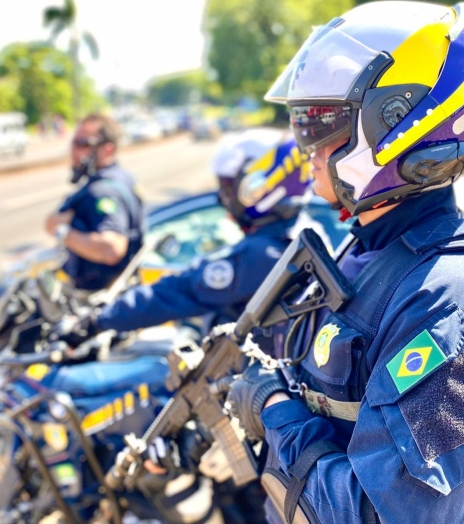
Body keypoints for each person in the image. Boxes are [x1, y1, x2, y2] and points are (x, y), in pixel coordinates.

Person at [227, 3, 464, 524]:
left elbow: (388, 515)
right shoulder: (368, 249)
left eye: (323, 121)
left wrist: (274, 411)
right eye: (303, 121)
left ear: (400, 123)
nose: (307, 145)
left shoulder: (456, 299)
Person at [58, 127, 313, 524]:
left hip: (257, 417)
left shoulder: (260, 254)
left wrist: (96, 320)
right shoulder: (292, 240)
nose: (223, 197)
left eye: (230, 187)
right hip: (269, 408)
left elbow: (177, 291)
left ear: (258, 185)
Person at [45, 113, 145, 292]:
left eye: (83, 144)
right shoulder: (122, 177)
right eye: (74, 142)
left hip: (100, 300)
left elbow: (112, 249)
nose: (74, 150)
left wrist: (61, 230)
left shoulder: (103, 191)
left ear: (107, 149)